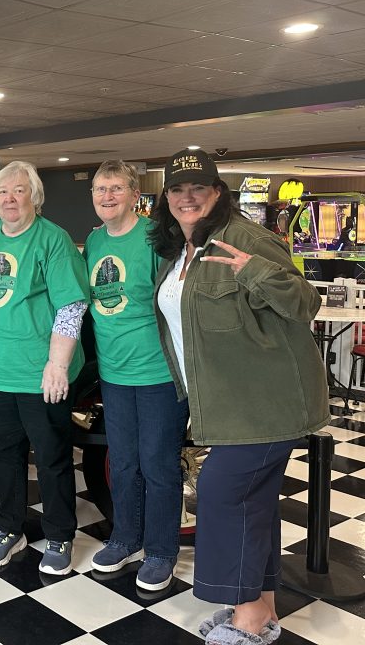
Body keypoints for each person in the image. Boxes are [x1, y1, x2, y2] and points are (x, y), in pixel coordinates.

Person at [149, 149, 329, 645]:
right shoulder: (179, 248)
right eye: (177, 189)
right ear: (167, 198)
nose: (187, 197)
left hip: (266, 402)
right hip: (228, 404)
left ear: (218, 192)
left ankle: (247, 619)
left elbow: (305, 304)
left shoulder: (247, 239)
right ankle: (262, 611)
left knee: (222, 494)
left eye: (198, 188)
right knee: (252, 504)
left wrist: (255, 270)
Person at [0, 161, 88, 574]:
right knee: (1, 455)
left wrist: (58, 364)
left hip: (41, 373)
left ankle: (59, 533)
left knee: (52, 456)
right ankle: (9, 526)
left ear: (34, 196)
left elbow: (71, 305)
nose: (10, 198)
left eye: (19, 191)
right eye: (3, 192)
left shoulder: (52, 239)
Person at [84, 160, 189, 591]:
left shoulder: (156, 239)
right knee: (124, 461)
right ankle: (125, 538)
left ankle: (161, 550)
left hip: (158, 372)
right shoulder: (94, 240)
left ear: (133, 194)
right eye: (99, 189)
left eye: (115, 188)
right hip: (113, 373)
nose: (107, 196)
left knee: (158, 464)